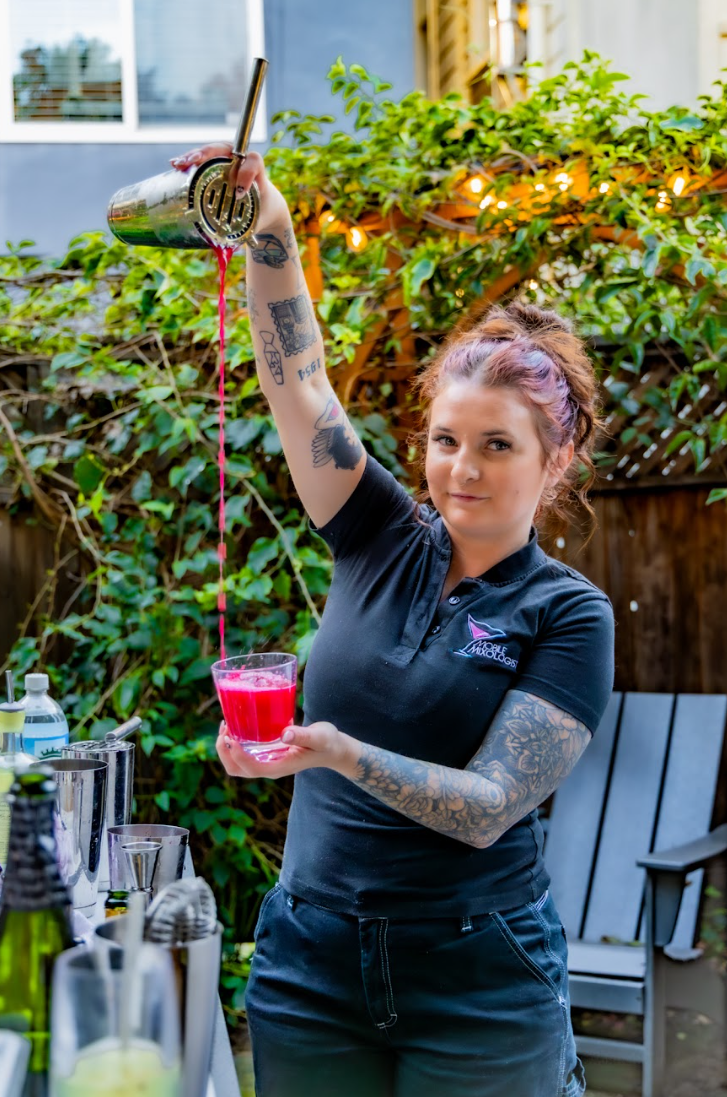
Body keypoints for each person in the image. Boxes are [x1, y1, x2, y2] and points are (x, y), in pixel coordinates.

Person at [172, 145, 615, 1097]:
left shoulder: (567, 613)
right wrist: (272, 227)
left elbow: (490, 806)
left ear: (555, 457)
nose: (460, 466)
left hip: (479, 980)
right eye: (445, 439)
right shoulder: (374, 530)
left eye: (497, 445)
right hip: (308, 963)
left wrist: (333, 750)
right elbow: (298, 383)